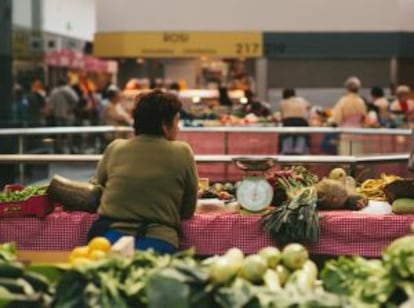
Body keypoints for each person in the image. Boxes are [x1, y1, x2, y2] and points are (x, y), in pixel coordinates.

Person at [88, 90, 199, 254]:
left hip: (108, 238)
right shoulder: (182, 151)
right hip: (159, 240)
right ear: (164, 124)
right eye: (176, 121)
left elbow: (96, 190)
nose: (178, 128)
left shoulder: (115, 148)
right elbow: (188, 209)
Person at [332, 76, 367, 155]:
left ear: (347, 88)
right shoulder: (361, 101)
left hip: (345, 131)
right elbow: (364, 118)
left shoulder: (343, 101)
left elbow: (337, 118)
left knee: (345, 153)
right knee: (356, 154)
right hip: (357, 131)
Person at [278, 88, 311, 154]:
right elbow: (309, 106)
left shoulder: (283, 102)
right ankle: (300, 151)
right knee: (301, 138)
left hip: (288, 122)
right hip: (302, 121)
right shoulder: (302, 100)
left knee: (287, 138)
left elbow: (281, 116)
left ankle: (287, 152)